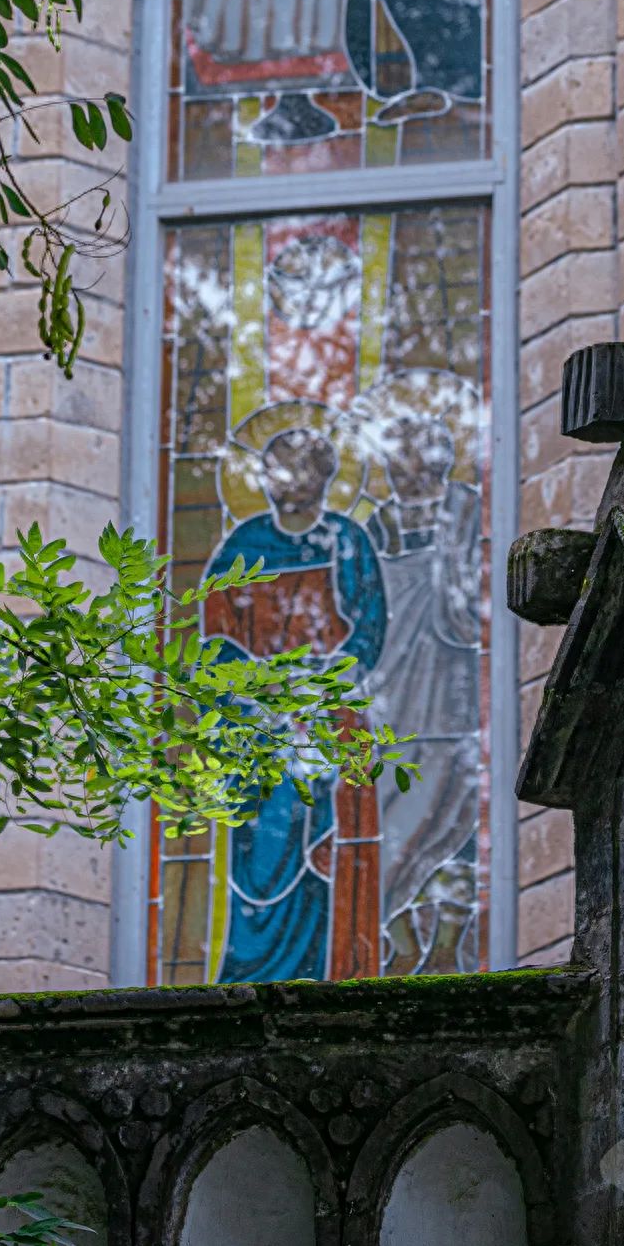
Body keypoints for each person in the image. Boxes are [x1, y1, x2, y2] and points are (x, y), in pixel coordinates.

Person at [203, 408, 387, 982]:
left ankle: (328, 967)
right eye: (275, 469)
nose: (286, 481)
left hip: (328, 716)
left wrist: (324, 678)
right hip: (259, 724)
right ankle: (251, 969)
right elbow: (216, 638)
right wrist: (257, 691)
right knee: (259, 847)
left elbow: (368, 626)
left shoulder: (348, 540)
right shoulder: (243, 545)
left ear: (325, 477)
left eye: (300, 469)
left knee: (326, 843)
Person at [356, 373, 484, 975]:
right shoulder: (376, 521)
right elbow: (360, 605)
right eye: (394, 453)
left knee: (454, 813)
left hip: (451, 688)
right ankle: (398, 934)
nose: (403, 464)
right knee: (391, 823)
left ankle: (446, 946)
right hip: (391, 694)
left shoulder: (466, 508)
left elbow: (473, 596)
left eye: (414, 450)